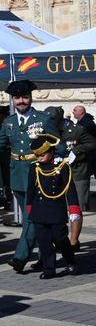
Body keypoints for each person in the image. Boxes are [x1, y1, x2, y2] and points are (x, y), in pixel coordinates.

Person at [0, 80, 60, 273]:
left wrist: (59, 164)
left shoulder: (43, 119)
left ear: (30, 97)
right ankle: (47, 257)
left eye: (24, 97)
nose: (21, 101)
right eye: (17, 98)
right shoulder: (9, 122)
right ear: (12, 100)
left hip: (38, 175)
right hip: (17, 174)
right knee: (34, 219)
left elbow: (58, 144)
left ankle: (20, 257)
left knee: (31, 218)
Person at [27, 134, 81, 278]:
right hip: (39, 209)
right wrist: (29, 208)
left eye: (42, 154)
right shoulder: (35, 167)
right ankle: (49, 268)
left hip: (56, 208)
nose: (39, 158)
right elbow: (31, 189)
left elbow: (70, 189)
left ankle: (70, 260)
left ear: (51, 152)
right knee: (44, 241)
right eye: (37, 155)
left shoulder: (62, 166)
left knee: (60, 238)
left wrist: (74, 209)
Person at [66, 105, 94, 247]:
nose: (72, 112)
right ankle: (68, 240)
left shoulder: (84, 126)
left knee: (76, 206)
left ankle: (74, 240)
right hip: (65, 171)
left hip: (80, 169)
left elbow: (91, 143)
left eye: (75, 110)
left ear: (81, 112)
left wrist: (76, 151)